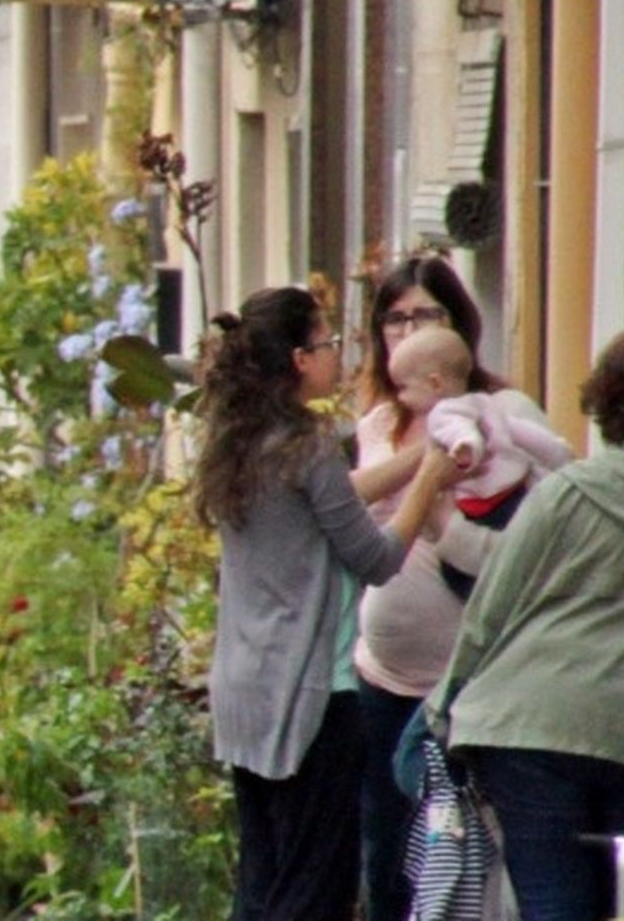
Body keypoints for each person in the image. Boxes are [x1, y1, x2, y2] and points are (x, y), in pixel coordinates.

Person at [195, 285, 458, 921]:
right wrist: (429, 478)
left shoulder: (239, 442)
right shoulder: (308, 446)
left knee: (263, 878)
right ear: (298, 359)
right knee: (314, 884)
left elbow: (338, 498)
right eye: (327, 342)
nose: (339, 353)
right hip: (308, 692)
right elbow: (375, 558)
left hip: (245, 687)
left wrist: (415, 457)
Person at [428, 327, 624, 921]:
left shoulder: (564, 495)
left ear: (603, 403)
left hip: (532, 728)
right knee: (616, 900)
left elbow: (491, 610)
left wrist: (446, 702)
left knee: (552, 900)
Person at [355, 254, 559, 921]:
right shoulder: (378, 424)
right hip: (384, 677)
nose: (409, 329)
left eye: (427, 314)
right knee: (387, 854)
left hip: (475, 678)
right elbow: (353, 514)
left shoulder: (502, 414)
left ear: (459, 325)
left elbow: (540, 536)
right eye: (396, 318)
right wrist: (425, 455)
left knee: (469, 860)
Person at [388, 327, 572, 597]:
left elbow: (458, 431)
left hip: (482, 510)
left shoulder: (443, 413)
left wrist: (466, 448)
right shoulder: (489, 405)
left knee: (463, 579)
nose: (399, 398)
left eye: (403, 388)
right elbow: (525, 434)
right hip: (513, 498)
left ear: (435, 383)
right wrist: (558, 453)